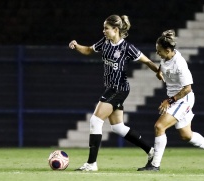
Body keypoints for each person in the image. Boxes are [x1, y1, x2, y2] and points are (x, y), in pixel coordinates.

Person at [69, 14, 162, 171]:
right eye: (103, 28)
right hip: (111, 88)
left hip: (119, 88)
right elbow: (89, 50)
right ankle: (151, 151)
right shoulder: (104, 43)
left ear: (116, 29)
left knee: (95, 121)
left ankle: (91, 164)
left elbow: (146, 60)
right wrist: (77, 46)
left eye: (106, 28)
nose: (103, 30)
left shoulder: (127, 48)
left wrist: (158, 72)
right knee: (118, 127)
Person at [137, 30, 204, 171]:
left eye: (159, 51)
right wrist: (160, 71)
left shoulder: (180, 64)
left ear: (168, 50)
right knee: (186, 135)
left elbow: (187, 89)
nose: (157, 53)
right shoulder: (166, 56)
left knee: (159, 127)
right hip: (176, 99)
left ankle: (155, 165)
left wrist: (169, 100)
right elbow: (163, 65)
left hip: (183, 99)